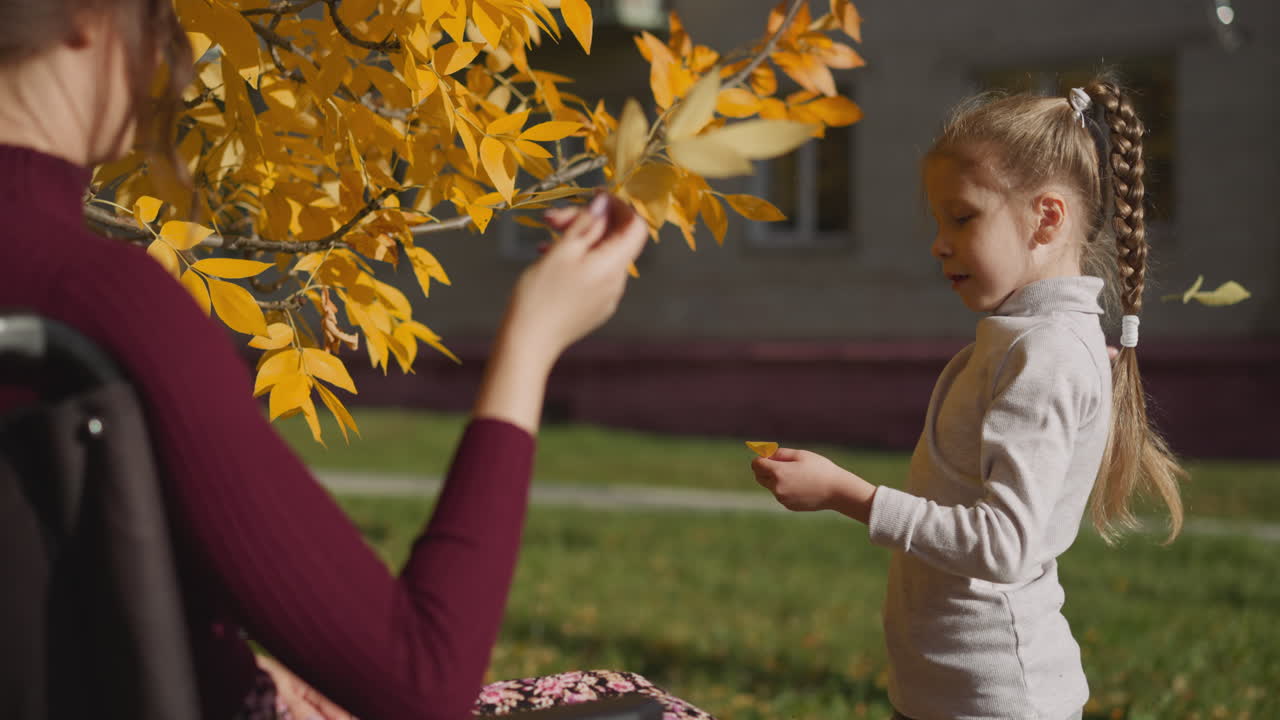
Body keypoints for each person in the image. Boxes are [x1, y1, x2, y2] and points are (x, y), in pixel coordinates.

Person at [0, 1, 715, 719]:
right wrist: (530, 345)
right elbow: (420, 679)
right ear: (89, 14)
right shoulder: (105, 300)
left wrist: (219, 656)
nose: (173, 54)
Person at [749, 79, 1185, 720]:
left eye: (963, 217)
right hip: (951, 690)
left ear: (1046, 217)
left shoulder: (1046, 354)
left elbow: (1002, 545)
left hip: (995, 700)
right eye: (937, 220)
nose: (938, 243)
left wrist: (847, 495)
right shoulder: (1037, 343)